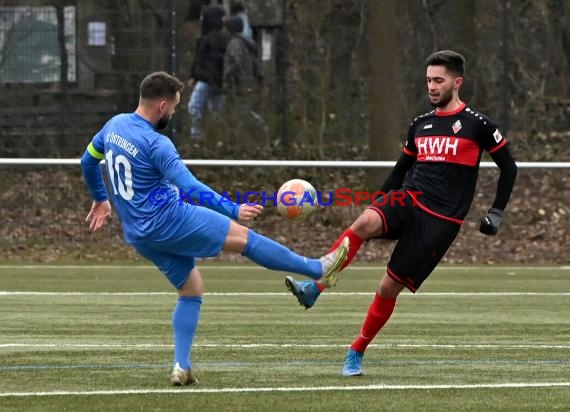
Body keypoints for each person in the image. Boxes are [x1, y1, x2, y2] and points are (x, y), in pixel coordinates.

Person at [80, 71, 349, 385]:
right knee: (245, 238)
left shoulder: (113, 126)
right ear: (162, 106)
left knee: (191, 290)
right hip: (170, 219)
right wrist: (233, 208)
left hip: (139, 234)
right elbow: (189, 187)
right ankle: (317, 268)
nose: (177, 111)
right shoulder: (157, 144)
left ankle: (181, 366)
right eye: (176, 107)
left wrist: (101, 198)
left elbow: (87, 161)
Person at [284, 50, 518, 377]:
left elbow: (509, 167)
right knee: (365, 221)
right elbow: (400, 170)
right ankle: (316, 287)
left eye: (439, 80)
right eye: (428, 81)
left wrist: (497, 211)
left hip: (441, 221)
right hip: (409, 198)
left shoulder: (477, 125)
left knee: (386, 288)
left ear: (457, 82)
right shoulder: (420, 124)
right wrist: (377, 201)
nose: (432, 87)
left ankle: (356, 351)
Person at [223, 16, 268, 143]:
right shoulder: (247, 43)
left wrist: (226, 76)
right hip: (246, 83)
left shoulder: (235, 43)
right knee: (241, 111)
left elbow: (236, 62)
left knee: (242, 112)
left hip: (237, 84)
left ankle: (262, 129)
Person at [187, 5, 227, 139]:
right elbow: (200, 59)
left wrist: (198, 76)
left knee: (194, 105)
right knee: (216, 110)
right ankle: (219, 136)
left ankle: (196, 135)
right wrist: (194, 75)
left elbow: (209, 61)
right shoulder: (208, 37)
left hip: (208, 80)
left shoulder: (214, 37)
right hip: (209, 79)